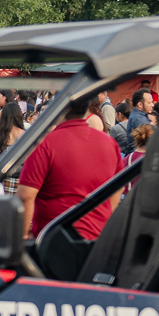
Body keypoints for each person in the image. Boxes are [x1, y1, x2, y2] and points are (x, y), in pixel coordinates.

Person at [17, 94, 126, 239]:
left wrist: (24, 235)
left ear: (62, 108)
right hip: (97, 239)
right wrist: (102, 221)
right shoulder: (110, 143)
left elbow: (25, 196)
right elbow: (118, 187)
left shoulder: (46, 143)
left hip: (52, 238)